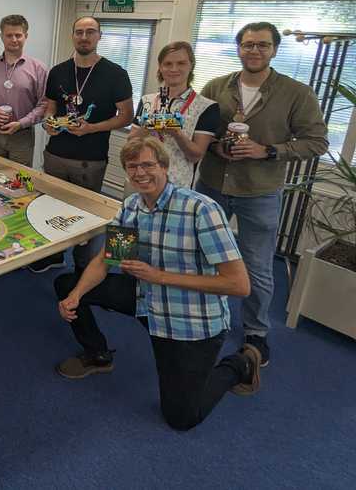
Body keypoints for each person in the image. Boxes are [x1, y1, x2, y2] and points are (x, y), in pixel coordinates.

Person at [53, 136, 262, 431]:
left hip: (189, 319)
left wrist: (158, 276)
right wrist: (76, 295)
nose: (140, 173)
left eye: (148, 165)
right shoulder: (132, 207)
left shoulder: (200, 209)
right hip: (146, 298)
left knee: (181, 418)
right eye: (132, 166)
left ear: (165, 166)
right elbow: (107, 260)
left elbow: (239, 285)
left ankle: (240, 364)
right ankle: (98, 355)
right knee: (67, 284)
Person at [196, 21, 328, 367]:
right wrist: (216, 147)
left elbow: (317, 142)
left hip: (259, 192)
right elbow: (202, 129)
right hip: (212, 185)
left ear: (274, 50)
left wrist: (267, 151)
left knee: (256, 266)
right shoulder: (215, 86)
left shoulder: (296, 93)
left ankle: (255, 332)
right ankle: (201, 314)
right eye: (248, 44)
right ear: (239, 48)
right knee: (202, 254)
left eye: (262, 45)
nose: (254, 51)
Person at [31, 16, 133, 273]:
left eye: (90, 32)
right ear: (72, 35)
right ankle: (54, 255)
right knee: (50, 207)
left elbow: (126, 116)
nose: (84, 37)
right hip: (55, 154)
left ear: (100, 35)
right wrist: (48, 123)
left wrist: (92, 128)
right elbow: (51, 107)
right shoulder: (58, 71)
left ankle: (82, 266)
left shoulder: (115, 74)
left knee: (84, 216)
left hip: (90, 159)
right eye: (79, 32)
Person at [129, 41, 219, 189]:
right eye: (168, 64)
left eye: (181, 63)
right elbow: (131, 142)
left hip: (176, 185)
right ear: (160, 67)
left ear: (191, 66)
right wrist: (148, 126)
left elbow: (195, 156)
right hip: (141, 177)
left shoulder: (206, 107)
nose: (174, 69)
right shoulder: (147, 100)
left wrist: (177, 133)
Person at [0, 14, 48, 167]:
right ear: (1, 36)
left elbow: (44, 105)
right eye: (9, 35)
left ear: (26, 36)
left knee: (19, 178)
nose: (14, 39)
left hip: (22, 136)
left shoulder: (38, 68)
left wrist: (21, 123)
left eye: (18, 35)